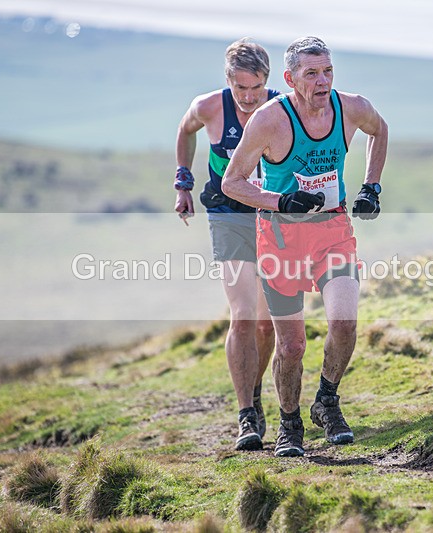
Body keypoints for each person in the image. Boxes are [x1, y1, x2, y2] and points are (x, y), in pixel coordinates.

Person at [222, 36, 388, 457]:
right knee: (292, 347)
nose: (322, 81)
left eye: (327, 71)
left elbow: (379, 129)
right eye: (311, 73)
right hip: (280, 241)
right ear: (290, 78)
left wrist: (372, 186)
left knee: (345, 323)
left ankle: (327, 401)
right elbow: (233, 182)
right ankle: (289, 423)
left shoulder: (350, 107)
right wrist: (282, 201)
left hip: (333, 232)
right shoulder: (268, 120)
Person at [174, 38, 278, 451]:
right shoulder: (210, 107)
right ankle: (246, 416)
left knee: (268, 323)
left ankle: (254, 394)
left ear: (268, 81)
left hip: (272, 217)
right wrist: (183, 180)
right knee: (243, 314)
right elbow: (184, 131)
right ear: (228, 81)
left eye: (256, 88)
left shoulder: (282, 108)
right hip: (228, 215)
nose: (250, 98)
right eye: (241, 89)